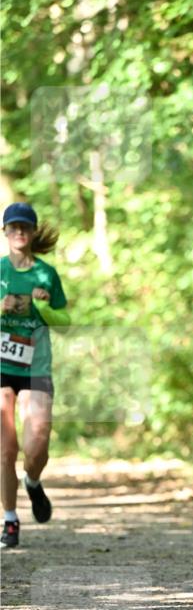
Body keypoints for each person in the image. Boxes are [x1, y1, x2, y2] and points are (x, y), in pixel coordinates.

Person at [1, 202, 70, 549]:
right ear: (5, 232)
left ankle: (33, 480)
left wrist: (42, 306)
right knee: (6, 448)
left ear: (31, 232)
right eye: (13, 227)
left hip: (36, 366)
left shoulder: (46, 274)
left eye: (24, 227)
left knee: (38, 439)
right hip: (1, 368)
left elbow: (65, 323)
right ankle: (10, 521)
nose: (19, 233)